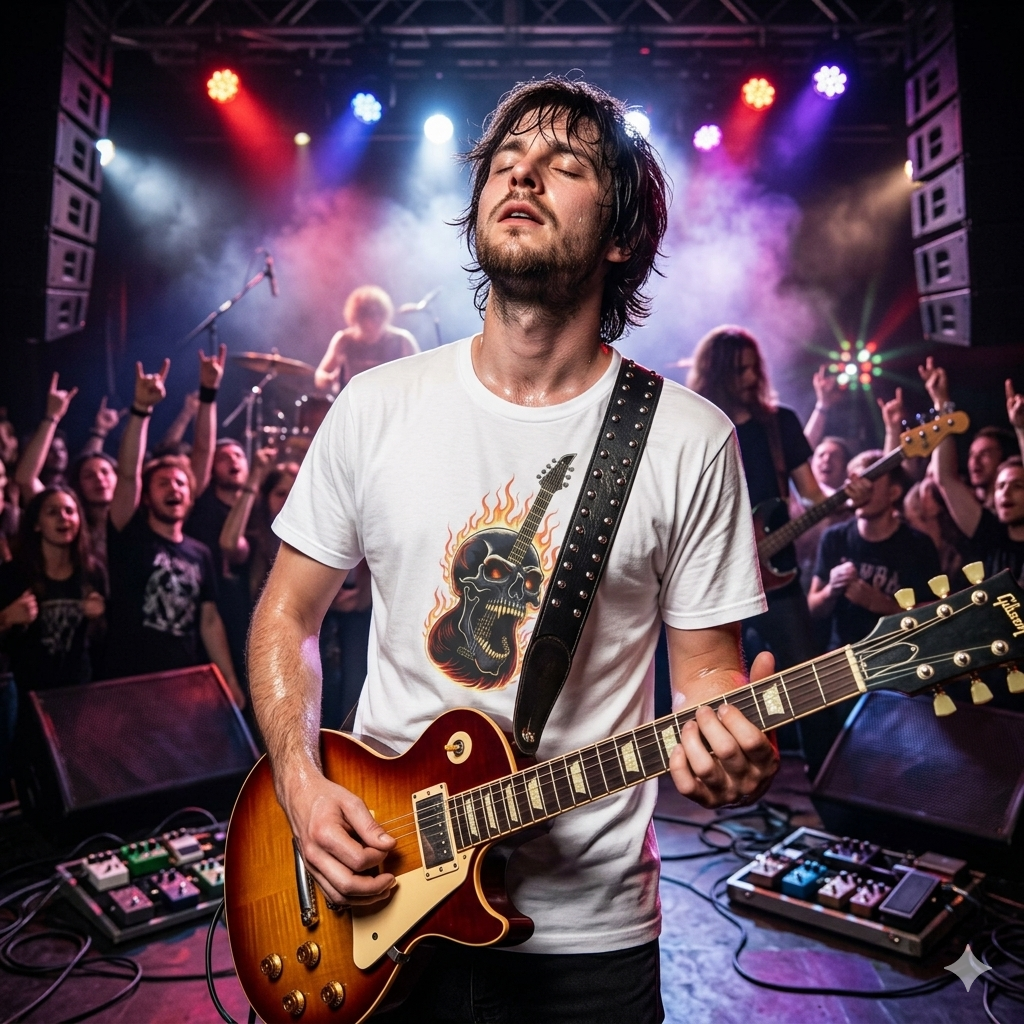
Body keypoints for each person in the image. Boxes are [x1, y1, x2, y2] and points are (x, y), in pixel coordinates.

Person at [248, 78, 779, 1024]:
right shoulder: (378, 405)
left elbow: (707, 678)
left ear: (620, 236)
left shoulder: (690, 440)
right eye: (505, 162)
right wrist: (299, 785)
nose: (523, 174)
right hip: (372, 887)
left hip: (590, 937)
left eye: (565, 164)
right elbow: (286, 614)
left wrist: (725, 745)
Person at [103, 358, 244, 706]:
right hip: (128, 681)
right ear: (147, 498)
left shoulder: (199, 552)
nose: (175, 488)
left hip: (181, 681)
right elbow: (127, 474)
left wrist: (227, 677)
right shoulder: (130, 534)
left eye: (181, 483)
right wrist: (140, 409)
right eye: (163, 483)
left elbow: (209, 620)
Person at [808, 450, 940, 774]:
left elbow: (932, 616)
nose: (857, 487)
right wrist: (831, 589)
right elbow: (813, 608)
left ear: (894, 492)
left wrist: (880, 604)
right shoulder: (835, 537)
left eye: (868, 480)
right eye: (852, 479)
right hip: (841, 661)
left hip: (894, 666)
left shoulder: (917, 545)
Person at [924, 360, 1024, 586]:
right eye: (1001, 487)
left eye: (1017, 486)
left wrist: (1021, 429)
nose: (1006, 493)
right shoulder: (992, 534)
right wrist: (942, 405)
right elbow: (945, 479)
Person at [0, 486, 107, 693]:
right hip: (25, 693)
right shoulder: (12, 574)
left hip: (77, 691)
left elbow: (104, 641)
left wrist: (99, 618)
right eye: (52, 512)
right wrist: (5, 618)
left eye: (69, 511)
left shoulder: (92, 572)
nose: (63, 517)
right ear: (37, 525)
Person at [185, 435, 251, 683]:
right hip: (206, 611)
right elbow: (201, 448)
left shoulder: (255, 510)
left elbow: (238, 551)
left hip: (241, 613)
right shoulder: (202, 504)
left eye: (238, 455)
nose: (232, 460)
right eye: (223, 457)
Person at [313, 285, 420, 392]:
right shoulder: (344, 340)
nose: (373, 321)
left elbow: (420, 375)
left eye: (377, 315)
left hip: (393, 402)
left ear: (384, 315)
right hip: (354, 404)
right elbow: (320, 376)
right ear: (356, 319)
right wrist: (329, 379)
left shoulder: (402, 340)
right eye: (368, 315)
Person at [14, 373, 75, 500]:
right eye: (51, 450)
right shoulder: (45, 497)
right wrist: (52, 417)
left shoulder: (77, 490)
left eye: (62, 450)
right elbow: (25, 480)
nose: (58, 455)